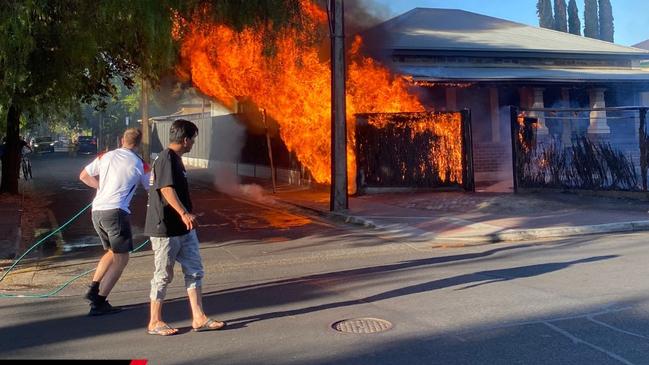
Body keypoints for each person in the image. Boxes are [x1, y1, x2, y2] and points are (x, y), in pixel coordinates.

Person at [145, 119, 225, 336]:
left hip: (184, 229)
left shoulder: (176, 160)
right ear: (186, 139)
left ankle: (198, 317)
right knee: (163, 275)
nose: (193, 144)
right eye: (193, 140)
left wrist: (185, 218)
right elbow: (166, 189)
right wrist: (184, 213)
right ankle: (155, 321)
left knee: (195, 270)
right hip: (166, 228)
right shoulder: (166, 159)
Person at [79, 128, 150, 316]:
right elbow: (152, 186)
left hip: (97, 211)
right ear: (139, 144)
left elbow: (84, 176)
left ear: (121, 140)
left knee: (112, 252)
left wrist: (101, 187)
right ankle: (99, 302)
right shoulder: (140, 164)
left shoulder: (105, 156)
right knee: (122, 258)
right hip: (116, 212)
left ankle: (93, 288)